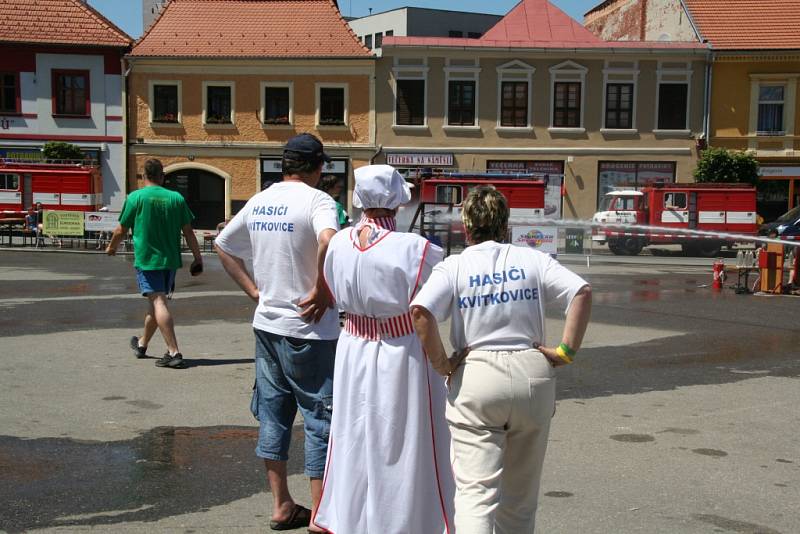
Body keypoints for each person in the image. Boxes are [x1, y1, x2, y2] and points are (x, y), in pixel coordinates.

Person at [411, 185, 592, 534]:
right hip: (532, 374)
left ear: (465, 228)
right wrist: (565, 352)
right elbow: (581, 292)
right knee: (520, 500)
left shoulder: (456, 266)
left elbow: (420, 311)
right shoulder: (533, 259)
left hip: (478, 376)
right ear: (506, 225)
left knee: (475, 494)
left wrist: (442, 364)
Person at [313, 165, 455, 534]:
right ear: (397, 198)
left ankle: (351, 517)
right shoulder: (417, 249)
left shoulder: (339, 242)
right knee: (403, 437)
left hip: (353, 345)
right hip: (400, 349)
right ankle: (404, 521)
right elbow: (437, 303)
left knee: (354, 431)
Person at [214, 133, 339, 533]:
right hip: (310, 329)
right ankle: (320, 514)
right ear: (317, 167)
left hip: (267, 324)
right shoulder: (318, 201)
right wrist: (322, 286)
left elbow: (223, 244)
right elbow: (329, 240)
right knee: (320, 418)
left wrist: (254, 291)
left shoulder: (260, 199)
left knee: (273, 414)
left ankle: (281, 504)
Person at [106, 159, 203, 369]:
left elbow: (121, 230)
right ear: (162, 176)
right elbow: (188, 231)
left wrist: (111, 248)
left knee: (158, 301)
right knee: (155, 301)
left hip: (148, 259)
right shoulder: (176, 198)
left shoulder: (136, 197)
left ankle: (174, 352)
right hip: (170, 261)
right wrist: (198, 257)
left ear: (143, 176)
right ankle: (142, 344)